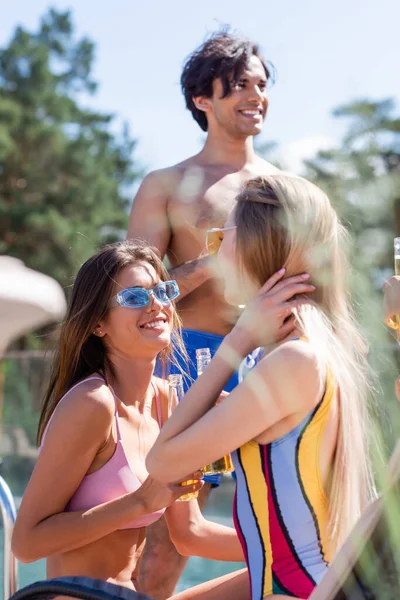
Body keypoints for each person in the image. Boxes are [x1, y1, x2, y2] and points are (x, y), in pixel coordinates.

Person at [147, 174, 377, 600]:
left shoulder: (292, 361)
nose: (213, 252)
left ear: (254, 244)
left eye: (221, 237)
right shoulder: (314, 352)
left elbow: (161, 463)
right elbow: (278, 550)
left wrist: (234, 343)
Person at [128, 30, 279, 597]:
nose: (255, 94)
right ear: (203, 99)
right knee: (165, 549)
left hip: (275, 366)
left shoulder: (285, 188)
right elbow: (133, 297)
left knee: (297, 518)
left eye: (262, 84)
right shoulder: (165, 185)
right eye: (240, 83)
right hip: (189, 362)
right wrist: (210, 265)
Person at [11, 241, 248, 592]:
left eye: (163, 292)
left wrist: (282, 547)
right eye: (135, 298)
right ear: (98, 325)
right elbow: (26, 544)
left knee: (286, 579)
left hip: (130, 596)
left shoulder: (167, 401)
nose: (157, 305)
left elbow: (190, 534)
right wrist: (139, 502)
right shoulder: (92, 404)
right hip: (77, 596)